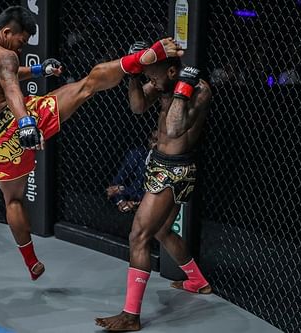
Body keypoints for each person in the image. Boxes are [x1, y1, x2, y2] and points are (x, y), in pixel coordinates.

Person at [0, 6, 183, 281]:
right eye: (21, 42)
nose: (20, 49)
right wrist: (26, 124)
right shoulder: (5, 56)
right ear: (7, 32)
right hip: (20, 120)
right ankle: (139, 59)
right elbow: (10, 85)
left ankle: (31, 262)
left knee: (13, 200)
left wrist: (40, 69)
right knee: (86, 85)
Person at [95, 44, 213, 331]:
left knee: (139, 235)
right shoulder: (162, 83)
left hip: (174, 169)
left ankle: (131, 316)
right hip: (162, 165)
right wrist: (134, 74)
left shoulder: (198, 89)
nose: (152, 82)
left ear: (173, 71)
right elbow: (137, 107)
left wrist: (183, 86)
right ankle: (197, 281)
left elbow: (174, 128)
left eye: (154, 77)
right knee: (161, 230)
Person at [106, 130, 157, 213]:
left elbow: (150, 194)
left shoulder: (164, 166)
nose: (155, 144)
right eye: (154, 139)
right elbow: (114, 185)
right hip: (128, 200)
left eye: (159, 141)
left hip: (148, 205)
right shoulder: (137, 154)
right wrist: (121, 201)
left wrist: (122, 189)